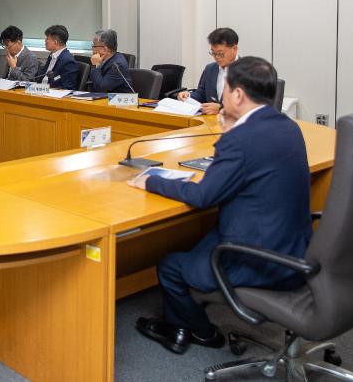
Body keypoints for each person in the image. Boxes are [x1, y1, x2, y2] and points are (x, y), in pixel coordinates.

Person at [128, 57, 312, 355]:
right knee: (203, 240)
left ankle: (200, 332)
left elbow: (203, 197)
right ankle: (186, 318)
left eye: (225, 89)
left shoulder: (240, 139)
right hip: (293, 249)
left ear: (237, 95)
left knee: (170, 266)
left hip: (257, 258)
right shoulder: (289, 127)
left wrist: (151, 181)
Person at [178, 27, 240, 115]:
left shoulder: (248, 71)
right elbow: (201, 94)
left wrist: (221, 108)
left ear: (234, 49)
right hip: (209, 121)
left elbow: (252, 105)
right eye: (213, 53)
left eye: (220, 53)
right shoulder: (210, 69)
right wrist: (188, 96)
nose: (217, 57)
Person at [89, 29, 133, 93]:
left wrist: (96, 66)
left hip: (117, 98)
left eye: (94, 46)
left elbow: (101, 88)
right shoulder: (103, 60)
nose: (92, 49)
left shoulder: (118, 65)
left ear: (104, 49)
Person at [36, 25, 78, 90]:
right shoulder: (52, 56)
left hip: (51, 93)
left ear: (55, 42)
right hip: (40, 90)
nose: (45, 41)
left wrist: (44, 89)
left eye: (47, 39)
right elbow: (42, 78)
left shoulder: (68, 61)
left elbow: (67, 87)